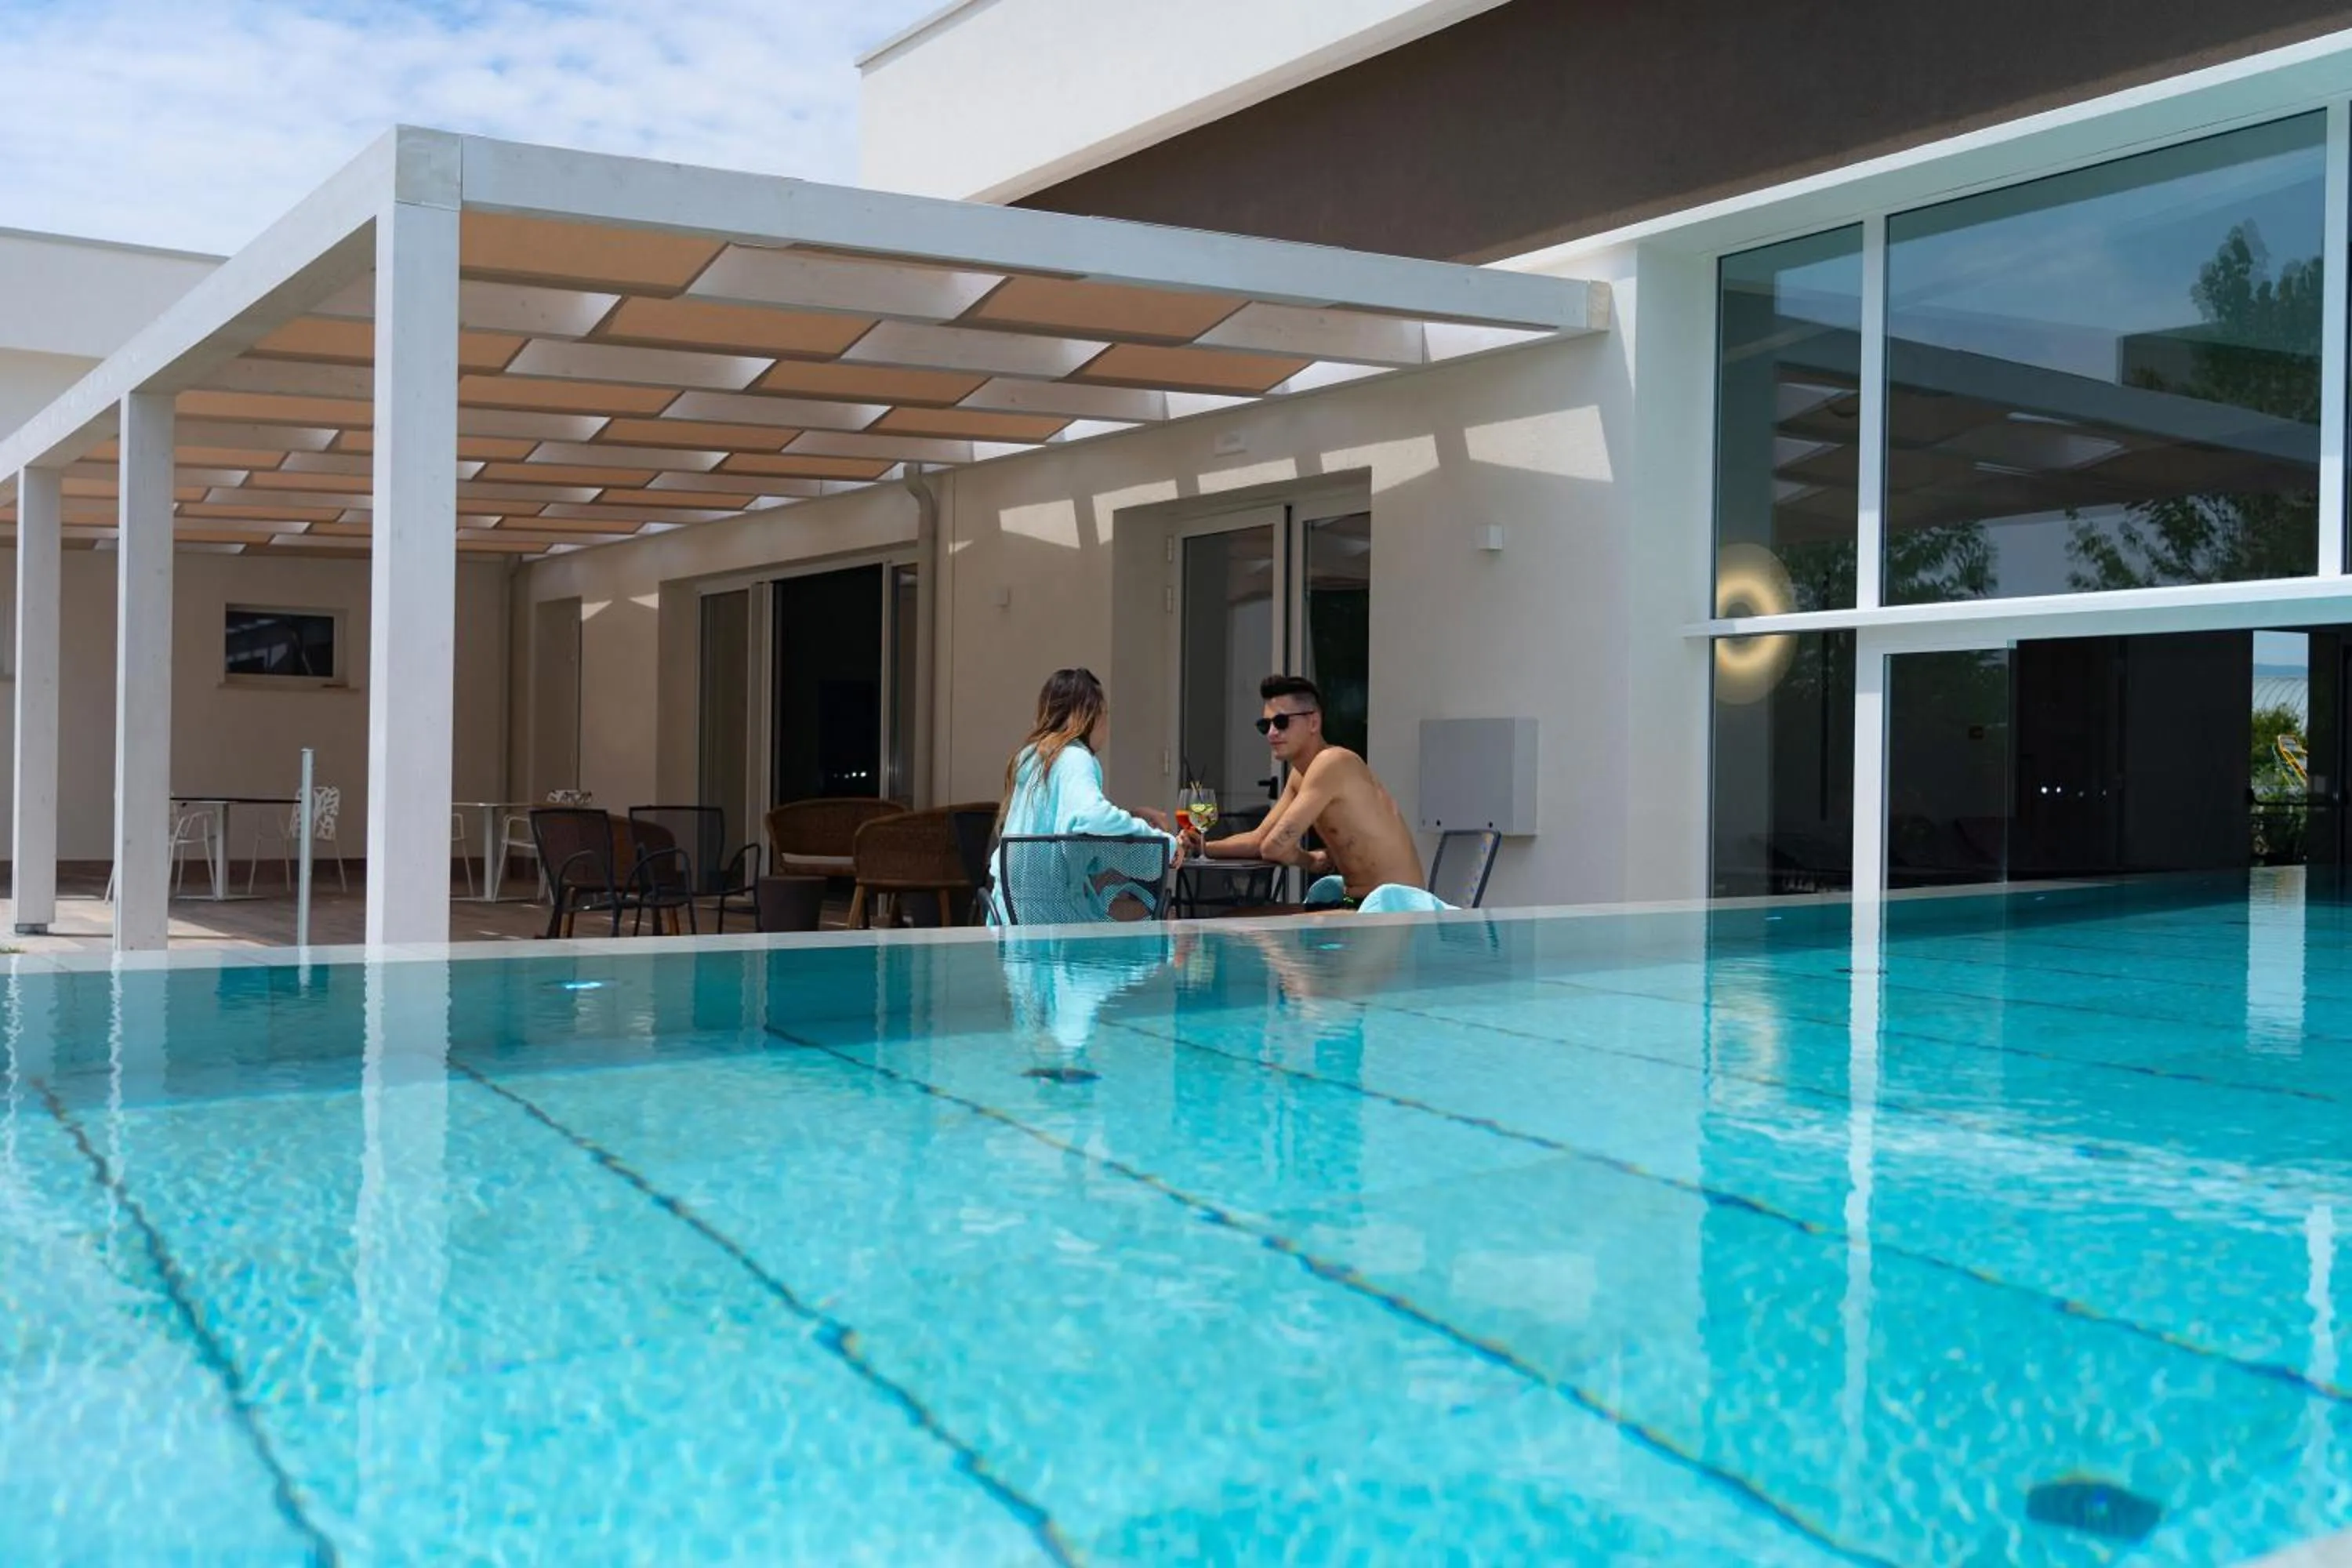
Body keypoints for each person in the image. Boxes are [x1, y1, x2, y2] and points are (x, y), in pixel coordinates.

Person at [1189, 674, 1441, 913]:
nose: (1272, 733)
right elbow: (1259, 840)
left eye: (1281, 722)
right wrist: (1201, 847)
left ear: (1313, 722)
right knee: (1240, 922)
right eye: (1265, 725)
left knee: (1251, 930)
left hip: (1395, 908)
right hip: (1354, 901)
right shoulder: (1301, 774)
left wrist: (1307, 860)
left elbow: (1274, 847)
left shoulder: (1332, 762)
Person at [988, 667, 1184, 924]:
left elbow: (1064, 823)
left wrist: (1132, 815)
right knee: (1158, 912)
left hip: (1010, 911)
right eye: (1106, 714)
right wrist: (1165, 844)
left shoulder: (1031, 757)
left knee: (1112, 891)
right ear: (1092, 717)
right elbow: (1092, 817)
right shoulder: (1074, 757)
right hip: (1054, 918)